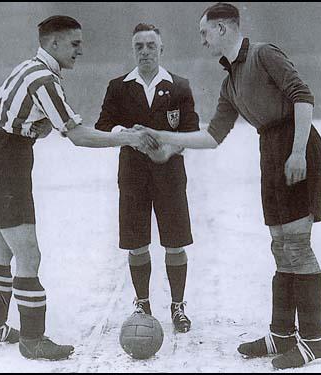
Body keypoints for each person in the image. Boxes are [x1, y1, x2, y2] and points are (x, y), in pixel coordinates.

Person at [134, 3, 321, 369]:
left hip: (296, 145)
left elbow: (303, 97)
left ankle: (316, 340)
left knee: (298, 245)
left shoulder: (263, 54)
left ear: (223, 28)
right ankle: (282, 334)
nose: (202, 40)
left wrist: (298, 151)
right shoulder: (230, 82)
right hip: (269, 150)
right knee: (279, 244)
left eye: (205, 33)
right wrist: (165, 141)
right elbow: (212, 136)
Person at [0, 15, 157, 361]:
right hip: (4, 164)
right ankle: (33, 339)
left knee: (3, 250)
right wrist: (126, 138)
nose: (80, 51)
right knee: (29, 255)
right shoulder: (44, 80)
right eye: (75, 44)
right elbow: (78, 136)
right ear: (53, 43)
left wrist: (33, 128)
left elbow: (1, 112)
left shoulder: (29, 68)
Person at [95, 23, 200, 333]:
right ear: (133, 50)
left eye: (150, 45)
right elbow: (103, 126)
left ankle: (178, 306)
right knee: (136, 243)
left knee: (175, 243)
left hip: (170, 175)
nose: (144, 51)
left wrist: (167, 151)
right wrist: (127, 135)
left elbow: (191, 132)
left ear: (161, 49)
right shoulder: (119, 86)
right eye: (138, 46)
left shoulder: (179, 86)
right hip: (132, 175)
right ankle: (142, 303)